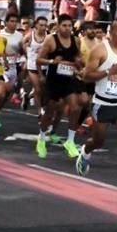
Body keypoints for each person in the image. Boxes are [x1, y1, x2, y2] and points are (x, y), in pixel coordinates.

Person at [76, 20, 117, 202]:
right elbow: (87, 76)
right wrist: (107, 72)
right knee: (98, 140)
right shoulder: (101, 50)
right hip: (102, 103)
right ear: (110, 32)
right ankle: (86, 151)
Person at [36, 15, 85, 159]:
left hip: (68, 79)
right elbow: (38, 60)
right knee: (50, 112)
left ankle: (70, 141)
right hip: (54, 81)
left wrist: (78, 63)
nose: (67, 28)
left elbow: (78, 57)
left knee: (75, 107)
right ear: (58, 26)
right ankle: (42, 137)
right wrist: (52, 61)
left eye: (69, 25)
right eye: (64, 25)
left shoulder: (76, 40)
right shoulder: (51, 40)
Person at [23, 16, 49, 114]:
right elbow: (22, 43)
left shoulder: (48, 37)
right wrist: (28, 53)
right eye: (41, 25)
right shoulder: (30, 35)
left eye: (45, 25)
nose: (43, 27)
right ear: (36, 25)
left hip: (44, 66)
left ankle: (28, 97)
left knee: (42, 89)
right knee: (37, 88)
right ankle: (39, 110)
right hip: (32, 66)